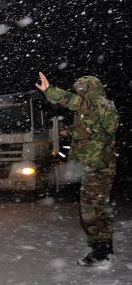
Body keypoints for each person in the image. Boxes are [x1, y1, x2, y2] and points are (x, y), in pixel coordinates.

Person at [35, 72, 119, 265]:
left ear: (90, 89)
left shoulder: (100, 103)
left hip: (97, 167)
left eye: (82, 90)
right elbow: (92, 128)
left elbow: (76, 103)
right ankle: (104, 248)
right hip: (94, 166)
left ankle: (101, 252)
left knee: (92, 210)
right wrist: (69, 131)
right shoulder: (97, 108)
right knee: (98, 208)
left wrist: (51, 91)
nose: (79, 94)